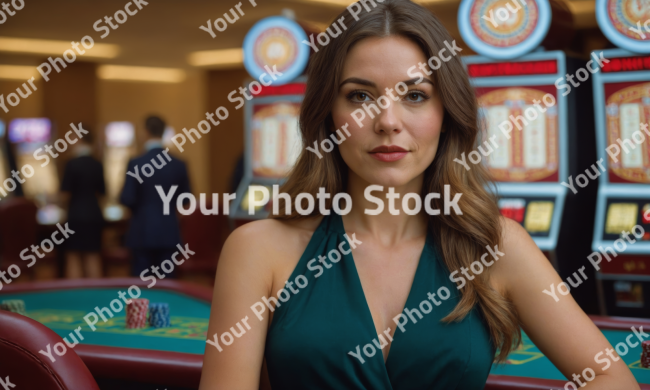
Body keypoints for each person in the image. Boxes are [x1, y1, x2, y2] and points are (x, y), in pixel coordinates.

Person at [199, 1, 640, 389]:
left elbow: (611, 376)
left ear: (446, 113)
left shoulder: (496, 245)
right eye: (359, 95)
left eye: (414, 95)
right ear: (327, 116)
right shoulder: (257, 249)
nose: (388, 120)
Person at [120, 115, 191, 278]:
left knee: (141, 287)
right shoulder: (179, 164)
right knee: (167, 285)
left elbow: (127, 198)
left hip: (141, 232)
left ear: (145, 132)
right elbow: (186, 199)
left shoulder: (135, 163)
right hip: (169, 231)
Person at [60, 127, 105, 278]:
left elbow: (65, 195)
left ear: (78, 138)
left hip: (76, 216)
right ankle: (96, 297)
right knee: (93, 256)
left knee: (73, 257)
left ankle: (74, 298)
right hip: (94, 214)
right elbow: (103, 193)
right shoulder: (98, 164)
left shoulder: (71, 164)